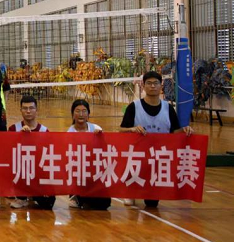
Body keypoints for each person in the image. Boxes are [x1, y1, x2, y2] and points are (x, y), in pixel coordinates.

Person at [119, 70, 194, 208]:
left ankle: (151, 189)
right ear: (143, 86)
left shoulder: (168, 108)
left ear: (161, 86)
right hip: (138, 156)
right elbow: (121, 130)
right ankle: (131, 190)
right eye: (149, 83)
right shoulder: (133, 107)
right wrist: (132, 129)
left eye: (156, 83)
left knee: (152, 203)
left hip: (158, 158)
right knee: (130, 199)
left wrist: (185, 130)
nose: (152, 86)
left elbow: (175, 132)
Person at [8, 95, 54, 210]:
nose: (28, 111)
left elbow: (48, 155)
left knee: (48, 203)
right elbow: (8, 152)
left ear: (36, 110)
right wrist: (20, 137)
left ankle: (33, 193)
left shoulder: (44, 131)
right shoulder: (13, 129)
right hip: (20, 170)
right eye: (25, 108)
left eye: (31, 108)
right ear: (21, 110)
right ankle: (21, 196)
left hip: (37, 171)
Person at [66, 99, 109, 210]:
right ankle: (76, 195)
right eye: (77, 111)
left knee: (104, 203)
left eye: (84, 111)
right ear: (72, 114)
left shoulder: (96, 129)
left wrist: (100, 138)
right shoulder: (69, 133)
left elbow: (105, 151)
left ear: (88, 114)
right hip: (79, 173)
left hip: (95, 173)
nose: (81, 114)